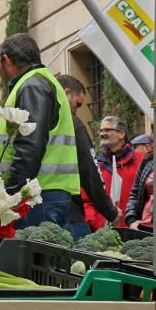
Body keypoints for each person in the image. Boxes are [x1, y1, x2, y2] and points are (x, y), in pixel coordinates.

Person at [0, 34, 79, 227]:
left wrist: (11, 194)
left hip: (36, 196)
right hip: (44, 192)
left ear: (6, 60)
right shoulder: (42, 82)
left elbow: (30, 145)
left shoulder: (32, 85)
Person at [56, 74, 117, 239]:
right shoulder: (72, 123)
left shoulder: (36, 118)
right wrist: (110, 212)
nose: (76, 111)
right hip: (68, 213)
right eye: (77, 104)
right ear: (66, 92)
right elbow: (90, 171)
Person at [88, 117, 143, 230]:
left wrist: (141, 223)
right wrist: (99, 223)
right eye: (101, 130)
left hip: (136, 231)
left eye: (107, 130)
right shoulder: (94, 165)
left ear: (121, 134)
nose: (102, 134)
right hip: (102, 234)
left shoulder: (141, 161)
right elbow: (86, 200)